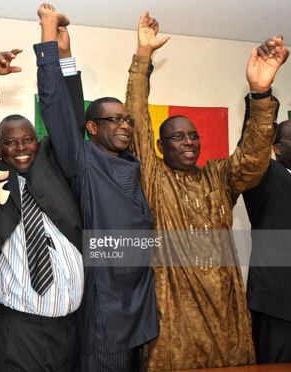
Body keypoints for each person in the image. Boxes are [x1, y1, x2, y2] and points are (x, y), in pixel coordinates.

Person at [125, 12, 288, 370]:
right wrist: (142, 57)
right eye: (178, 136)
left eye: (194, 135)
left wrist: (260, 94)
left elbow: (253, 156)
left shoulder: (218, 177)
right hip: (174, 323)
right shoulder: (154, 178)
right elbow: (135, 119)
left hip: (226, 316)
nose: (189, 142)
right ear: (160, 145)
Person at [35, 4, 158, 371]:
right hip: (105, 316)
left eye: (127, 120)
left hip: (139, 308)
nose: (124, 125)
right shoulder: (84, 162)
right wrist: (48, 39)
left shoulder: (132, 163)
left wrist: (67, 54)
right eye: (113, 119)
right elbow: (57, 105)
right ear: (91, 128)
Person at [0, 45, 85, 371]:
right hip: (18, 329)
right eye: (10, 142)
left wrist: (63, 54)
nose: (21, 148)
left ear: (38, 142)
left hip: (72, 326)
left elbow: (71, 121)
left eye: (27, 140)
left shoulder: (57, 170)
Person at [240, 37, 291, 364]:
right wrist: (260, 94)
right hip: (278, 304)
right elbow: (251, 147)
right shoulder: (267, 176)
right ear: (277, 148)